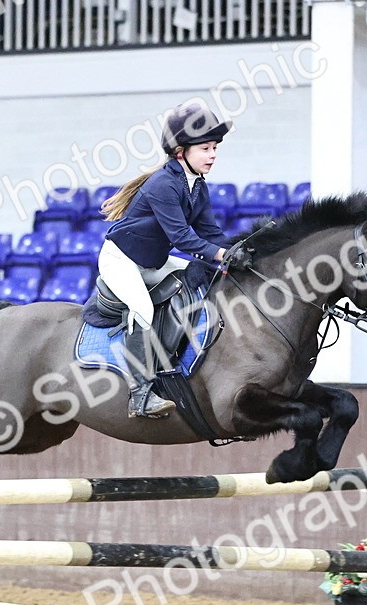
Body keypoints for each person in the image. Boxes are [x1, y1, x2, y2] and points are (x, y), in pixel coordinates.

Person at [98, 101, 248, 419]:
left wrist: (242, 251)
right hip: (121, 261)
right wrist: (221, 254)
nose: (213, 155)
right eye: (205, 148)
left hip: (153, 262)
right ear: (181, 152)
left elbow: (210, 232)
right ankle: (139, 395)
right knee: (143, 309)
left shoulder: (197, 186)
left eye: (215, 148)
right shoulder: (163, 184)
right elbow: (181, 237)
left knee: (204, 273)